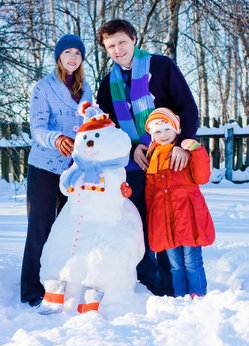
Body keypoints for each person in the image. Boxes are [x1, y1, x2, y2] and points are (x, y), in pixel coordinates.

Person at [96, 19, 199, 296]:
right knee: (138, 222)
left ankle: (170, 285)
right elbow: (109, 128)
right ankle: (146, 283)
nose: (118, 50)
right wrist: (131, 148)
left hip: (168, 161)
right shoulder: (108, 84)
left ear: (133, 39)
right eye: (111, 46)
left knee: (168, 220)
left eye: (122, 42)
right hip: (134, 165)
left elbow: (187, 108)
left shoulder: (162, 67)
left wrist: (184, 147)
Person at [21, 34, 93, 307]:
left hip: (73, 169)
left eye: (78, 53)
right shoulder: (43, 87)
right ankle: (31, 289)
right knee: (40, 227)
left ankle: (60, 283)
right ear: (59, 56)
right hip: (44, 166)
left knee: (67, 229)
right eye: (67, 52)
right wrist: (56, 139)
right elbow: (37, 128)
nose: (73, 57)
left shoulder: (86, 90)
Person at [144, 107, 215, 298]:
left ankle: (198, 296)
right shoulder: (153, 157)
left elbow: (202, 177)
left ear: (176, 129)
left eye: (167, 129)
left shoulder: (186, 151)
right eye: (157, 131)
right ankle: (181, 298)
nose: (163, 134)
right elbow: (150, 194)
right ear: (152, 135)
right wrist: (153, 219)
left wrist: (197, 151)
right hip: (165, 220)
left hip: (188, 216)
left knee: (192, 262)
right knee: (175, 266)